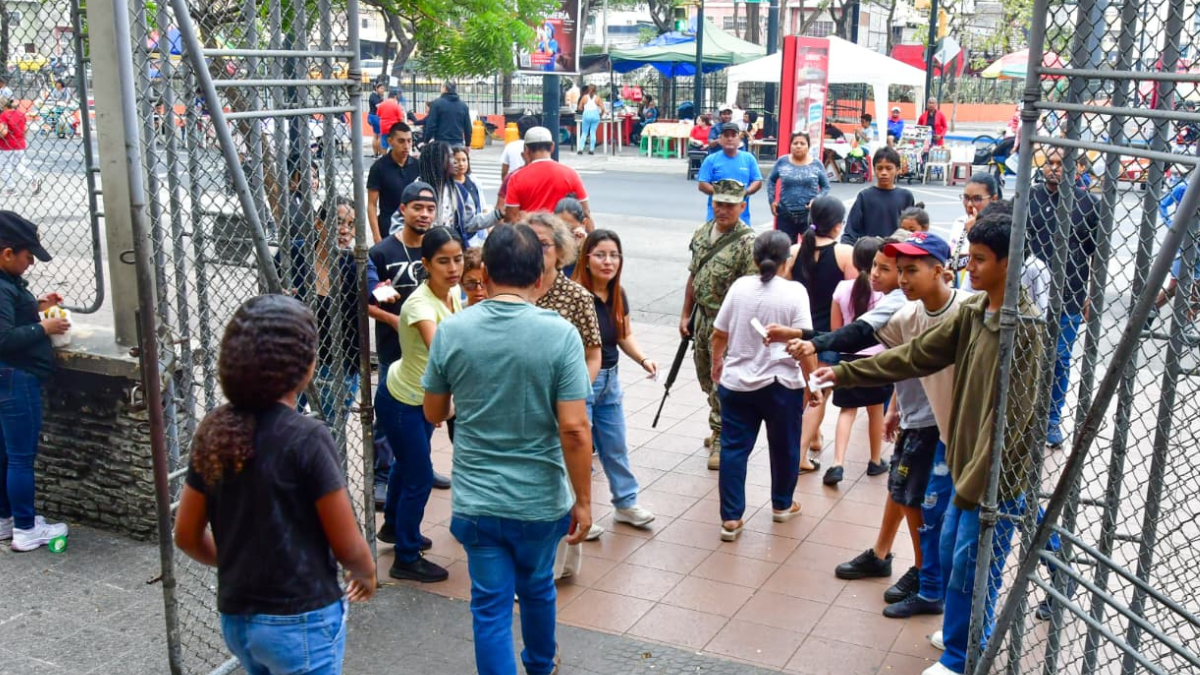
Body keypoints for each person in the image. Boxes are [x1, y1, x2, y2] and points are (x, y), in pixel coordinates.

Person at [811, 214, 1044, 675]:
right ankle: (962, 635)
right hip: (966, 464)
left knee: (974, 565)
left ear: (1007, 263)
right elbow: (915, 355)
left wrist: (974, 485)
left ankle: (961, 656)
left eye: (980, 260)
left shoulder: (1023, 329)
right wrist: (841, 372)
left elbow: (1012, 421)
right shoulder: (976, 312)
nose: (970, 267)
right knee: (957, 557)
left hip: (996, 475)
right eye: (969, 257)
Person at [422, 223, 593, 675]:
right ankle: (540, 665)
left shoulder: (452, 331)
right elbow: (575, 430)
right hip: (540, 499)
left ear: (486, 273)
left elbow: (433, 412)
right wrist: (584, 500)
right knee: (538, 588)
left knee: (490, 605)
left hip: (478, 499)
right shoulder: (560, 336)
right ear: (540, 276)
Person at [174, 295, 376, 675]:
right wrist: (364, 571)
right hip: (301, 621)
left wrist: (237, 560)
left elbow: (185, 535)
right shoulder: (308, 437)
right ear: (305, 368)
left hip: (238, 619)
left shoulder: (213, 429)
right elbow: (346, 541)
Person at [711, 230, 818, 541]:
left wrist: (717, 363)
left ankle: (731, 518)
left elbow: (720, 333)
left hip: (737, 383)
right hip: (781, 385)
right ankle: (782, 505)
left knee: (733, 449)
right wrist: (813, 382)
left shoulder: (740, 287)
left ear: (755, 258)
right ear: (787, 260)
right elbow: (803, 342)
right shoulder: (795, 292)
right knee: (784, 447)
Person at [377, 227, 463, 583]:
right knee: (419, 475)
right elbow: (441, 352)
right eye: (443, 261)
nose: (453, 267)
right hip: (403, 400)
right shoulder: (418, 304)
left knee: (406, 464)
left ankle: (395, 528)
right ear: (425, 264)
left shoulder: (453, 293)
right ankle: (407, 557)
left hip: (423, 398)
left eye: (457, 259)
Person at [367, 182, 451, 505]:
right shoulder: (382, 252)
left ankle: (421, 466)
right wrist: (397, 321)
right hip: (395, 353)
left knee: (426, 417)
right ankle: (381, 475)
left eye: (430, 209)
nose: (425, 214)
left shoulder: (437, 250)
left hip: (431, 352)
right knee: (391, 420)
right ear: (402, 210)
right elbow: (366, 302)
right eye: (418, 207)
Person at [571, 229, 657, 532]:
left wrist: (643, 359)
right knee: (579, 451)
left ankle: (625, 504)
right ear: (586, 257)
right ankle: (576, 514)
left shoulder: (617, 293)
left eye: (614, 255)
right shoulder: (576, 294)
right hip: (582, 381)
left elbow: (623, 334)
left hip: (610, 381)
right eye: (600, 255)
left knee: (615, 445)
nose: (608, 262)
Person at [0, 213, 69, 551]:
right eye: (27, 257)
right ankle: (26, 529)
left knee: (5, 454)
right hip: (16, 378)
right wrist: (45, 327)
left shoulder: (6, 283)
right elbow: (3, 338)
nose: (30, 264)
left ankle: (6, 519)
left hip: (6, 377)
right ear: (7, 253)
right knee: (20, 457)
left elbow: (9, 315)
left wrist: (38, 306)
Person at [680, 179, 758, 471]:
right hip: (701, 319)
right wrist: (685, 313)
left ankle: (722, 434)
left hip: (727, 325)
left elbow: (750, 291)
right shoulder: (702, 234)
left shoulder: (748, 243)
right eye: (718, 203)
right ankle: (719, 422)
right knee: (705, 377)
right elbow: (693, 275)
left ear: (742, 206)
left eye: (729, 204)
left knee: (721, 380)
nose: (723, 209)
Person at [1027, 147, 1099, 449]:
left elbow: (1097, 255)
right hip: (1028, 296)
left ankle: (1052, 420)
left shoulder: (1089, 204)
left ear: (1077, 168)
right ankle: (1024, 414)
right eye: (1050, 162)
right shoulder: (1029, 196)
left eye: (1062, 164)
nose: (1054, 168)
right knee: (1026, 357)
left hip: (1069, 295)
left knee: (1059, 358)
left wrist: (1091, 296)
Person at [786, 196, 858, 476]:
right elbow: (851, 299)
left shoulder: (794, 251)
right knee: (818, 395)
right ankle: (799, 455)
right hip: (828, 336)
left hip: (796, 333)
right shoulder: (845, 255)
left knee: (804, 393)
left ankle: (812, 439)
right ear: (838, 225)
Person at [279, 196, 361, 425]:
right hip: (293, 358)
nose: (345, 231)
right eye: (338, 223)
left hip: (336, 363)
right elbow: (267, 294)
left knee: (329, 432)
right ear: (318, 223)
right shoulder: (294, 255)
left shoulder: (355, 264)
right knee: (282, 427)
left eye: (351, 225)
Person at [824, 237, 893, 485]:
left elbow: (835, 330)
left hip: (847, 361)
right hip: (877, 361)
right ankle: (875, 461)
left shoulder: (842, 290)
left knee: (847, 411)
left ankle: (837, 463)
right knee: (875, 411)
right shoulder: (886, 295)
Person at [531, 213, 602, 383]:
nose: (534, 251)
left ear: (560, 249)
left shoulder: (577, 297)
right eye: (528, 244)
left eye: (543, 244)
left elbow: (593, 357)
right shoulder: (513, 290)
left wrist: (575, 397)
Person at [505, 126, 593, 227]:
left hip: (530, 237)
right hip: (562, 238)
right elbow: (585, 212)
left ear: (526, 149)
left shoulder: (516, 178)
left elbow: (512, 218)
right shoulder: (571, 174)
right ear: (552, 147)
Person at [841, 147, 915, 244]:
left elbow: (914, 231)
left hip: (897, 252)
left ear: (897, 170)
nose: (884, 173)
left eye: (889, 168)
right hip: (870, 252)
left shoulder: (906, 196)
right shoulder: (865, 196)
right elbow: (851, 231)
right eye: (879, 168)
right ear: (874, 169)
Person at [768, 131, 831, 244]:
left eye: (802, 143)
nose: (798, 146)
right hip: (785, 214)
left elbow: (826, 186)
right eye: (795, 143)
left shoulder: (816, 164)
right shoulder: (782, 161)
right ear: (790, 145)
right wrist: (771, 200)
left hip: (808, 215)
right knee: (784, 251)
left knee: (811, 249)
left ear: (808, 146)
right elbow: (771, 180)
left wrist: (817, 199)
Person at [698, 122, 763, 226]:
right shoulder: (711, 160)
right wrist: (722, 194)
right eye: (726, 135)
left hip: (741, 215)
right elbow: (702, 184)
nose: (730, 138)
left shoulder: (749, 159)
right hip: (716, 214)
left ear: (739, 139)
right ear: (720, 139)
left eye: (733, 135)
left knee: (743, 241)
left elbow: (757, 181)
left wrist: (744, 192)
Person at [947, 173, 1003, 291]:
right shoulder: (959, 223)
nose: (969, 204)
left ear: (993, 199)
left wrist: (975, 231)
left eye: (977, 199)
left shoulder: (999, 229)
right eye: (966, 198)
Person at [366, 122, 419, 243]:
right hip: (388, 228)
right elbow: (372, 205)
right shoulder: (379, 167)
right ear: (390, 141)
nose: (406, 146)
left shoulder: (417, 165)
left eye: (409, 141)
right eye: (401, 141)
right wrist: (376, 235)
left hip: (413, 226)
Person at [0, 99, 39, 196]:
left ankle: (11, 188)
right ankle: (33, 180)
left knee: (4, 168)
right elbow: (25, 129)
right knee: (19, 166)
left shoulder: (3, 115)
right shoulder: (21, 114)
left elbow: (3, 132)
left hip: (7, 145)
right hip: (20, 144)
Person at [451, 146, 484, 247]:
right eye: (456, 161)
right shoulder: (448, 185)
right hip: (455, 237)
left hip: (474, 236)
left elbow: (482, 207)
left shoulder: (474, 181)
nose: (461, 164)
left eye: (464, 160)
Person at [424, 81, 472, 146]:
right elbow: (468, 128)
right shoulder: (463, 106)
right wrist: (467, 144)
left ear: (444, 88)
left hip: (441, 144)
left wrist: (426, 141)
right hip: (458, 143)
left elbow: (431, 125)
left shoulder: (436, 104)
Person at [500, 114, 540, 181]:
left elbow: (504, 172)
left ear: (518, 131)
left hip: (514, 182)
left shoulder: (510, 146)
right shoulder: (539, 146)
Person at [577, 85, 604, 155]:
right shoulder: (598, 98)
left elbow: (579, 108)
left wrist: (584, 110)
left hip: (586, 115)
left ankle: (580, 149)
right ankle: (591, 150)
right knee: (593, 132)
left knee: (584, 133)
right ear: (595, 90)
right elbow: (603, 109)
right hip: (595, 115)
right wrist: (600, 114)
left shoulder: (584, 97)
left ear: (588, 90)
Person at [368, 82, 388, 157]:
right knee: (380, 136)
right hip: (375, 117)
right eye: (381, 88)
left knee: (375, 135)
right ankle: (380, 153)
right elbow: (379, 107)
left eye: (384, 88)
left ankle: (376, 153)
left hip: (372, 116)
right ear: (376, 88)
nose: (383, 90)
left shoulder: (377, 96)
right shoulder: (374, 96)